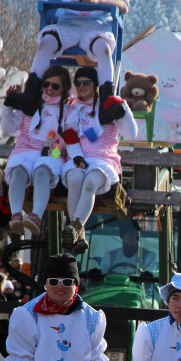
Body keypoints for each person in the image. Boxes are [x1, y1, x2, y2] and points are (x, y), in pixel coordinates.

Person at [7, 0, 129, 120]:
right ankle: (31, 93)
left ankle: (106, 100)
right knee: (46, 42)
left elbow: (123, 5)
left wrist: (99, 1)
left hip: (95, 26)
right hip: (67, 25)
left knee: (104, 49)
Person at [61, 65, 136, 253]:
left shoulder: (108, 106)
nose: (81, 86)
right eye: (78, 83)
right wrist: (77, 156)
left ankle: (76, 226)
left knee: (90, 182)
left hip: (103, 159)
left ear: (95, 85)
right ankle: (79, 232)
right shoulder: (73, 108)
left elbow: (131, 134)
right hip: (80, 157)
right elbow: (70, 134)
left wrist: (123, 106)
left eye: (86, 82)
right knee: (75, 179)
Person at [3, 64, 72, 239]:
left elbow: (68, 137)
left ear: (63, 89)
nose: (50, 89)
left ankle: (36, 217)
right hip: (26, 148)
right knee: (18, 172)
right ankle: (16, 215)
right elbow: (8, 128)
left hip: (51, 151)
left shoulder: (67, 111)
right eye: (47, 84)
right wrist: (8, 104)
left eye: (55, 86)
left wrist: (55, 146)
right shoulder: (32, 105)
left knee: (42, 172)